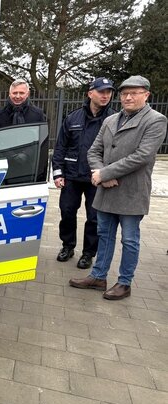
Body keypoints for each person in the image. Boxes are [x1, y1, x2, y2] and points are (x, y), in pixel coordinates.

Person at [69, 75, 168, 300]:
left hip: (132, 192)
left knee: (129, 239)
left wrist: (105, 173)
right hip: (107, 190)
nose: (128, 97)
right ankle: (98, 276)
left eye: (134, 93)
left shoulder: (155, 120)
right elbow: (93, 151)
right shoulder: (111, 120)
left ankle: (125, 283)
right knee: (104, 234)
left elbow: (142, 156)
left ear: (146, 95)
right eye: (124, 94)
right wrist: (101, 175)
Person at [52, 77, 116, 269]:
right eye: (101, 91)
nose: (105, 95)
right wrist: (57, 173)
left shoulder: (114, 119)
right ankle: (67, 246)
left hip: (97, 177)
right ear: (90, 93)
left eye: (108, 92)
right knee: (67, 212)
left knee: (94, 217)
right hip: (71, 176)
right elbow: (60, 147)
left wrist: (109, 173)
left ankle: (88, 253)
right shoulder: (73, 118)